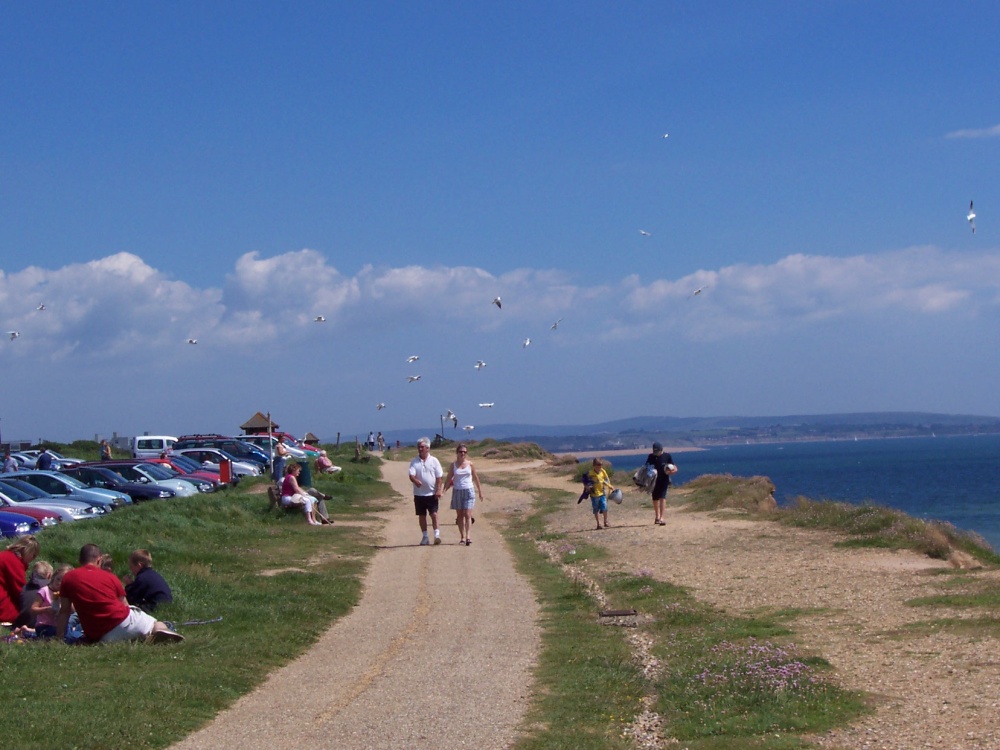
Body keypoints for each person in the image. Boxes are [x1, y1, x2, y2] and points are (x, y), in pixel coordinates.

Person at [56, 543, 183, 644]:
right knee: (155, 623)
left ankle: (148, 636)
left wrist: (60, 638)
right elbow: (125, 605)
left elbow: (64, 611)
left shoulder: (68, 578)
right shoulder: (110, 577)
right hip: (124, 622)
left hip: (101, 636)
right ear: (99, 560)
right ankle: (162, 630)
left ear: (79, 560)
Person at [443, 444, 484, 546]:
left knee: (468, 514)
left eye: (465, 452)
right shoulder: (453, 465)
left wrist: (480, 491)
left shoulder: (470, 464)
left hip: (468, 490)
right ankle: (462, 536)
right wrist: (443, 491)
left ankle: (468, 536)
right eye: (461, 452)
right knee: (460, 516)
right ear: (457, 453)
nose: (463, 454)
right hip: (457, 491)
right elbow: (448, 479)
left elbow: (475, 478)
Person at [408, 437, 443, 545]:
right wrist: (415, 480)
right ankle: (425, 536)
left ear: (428, 448)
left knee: (434, 514)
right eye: (419, 447)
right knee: (422, 515)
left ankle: (437, 535)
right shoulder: (414, 461)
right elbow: (411, 475)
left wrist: (438, 490)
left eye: (422, 447)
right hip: (419, 494)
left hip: (431, 494)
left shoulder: (434, 461)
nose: (420, 449)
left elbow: (439, 477)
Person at [0, 535, 39, 625]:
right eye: (33, 555)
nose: (33, 558)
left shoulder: (6, 555)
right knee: (16, 616)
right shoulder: (13, 561)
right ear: (27, 551)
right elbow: (20, 590)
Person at [29, 563, 71, 638]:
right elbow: (33, 609)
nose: (59, 583)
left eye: (63, 582)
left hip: (58, 625)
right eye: (58, 579)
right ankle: (28, 633)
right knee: (62, 635)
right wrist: (46, 609)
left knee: (69, 631)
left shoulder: (64, 594)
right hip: (44, 625)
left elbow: (73, 610)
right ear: (53, 577)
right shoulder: (44, 591)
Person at [645, 442, 678, 526]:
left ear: (661, 450)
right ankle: (657, 516)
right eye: (655, 452)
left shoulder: (667, 456)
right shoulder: (651, 456)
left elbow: (674, 467)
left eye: (658, 452)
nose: (656, 454)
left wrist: (672, 471)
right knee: (655, 499)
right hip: (653, 480)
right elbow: (646, 467)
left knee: (662, 498)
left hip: (664, 480)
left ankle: (662, 518)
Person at [15, 559, 52, 628]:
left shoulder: (25, 587)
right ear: (49, 575)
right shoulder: (49, 588)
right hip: (40, 625)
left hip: (22, 622)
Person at [586, 457, 615, 530]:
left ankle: (605, 522)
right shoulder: (590, 473)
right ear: (594, 466)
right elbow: (585, 481)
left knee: (605, 507)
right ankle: (598, 524)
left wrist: (609, 486)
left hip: (602, 493)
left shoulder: (603, 471)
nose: (599, 468)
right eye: (597, 467)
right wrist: (587, 487)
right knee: (596, 509)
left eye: (600, 466)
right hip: (594, 494)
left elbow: (605, 480)